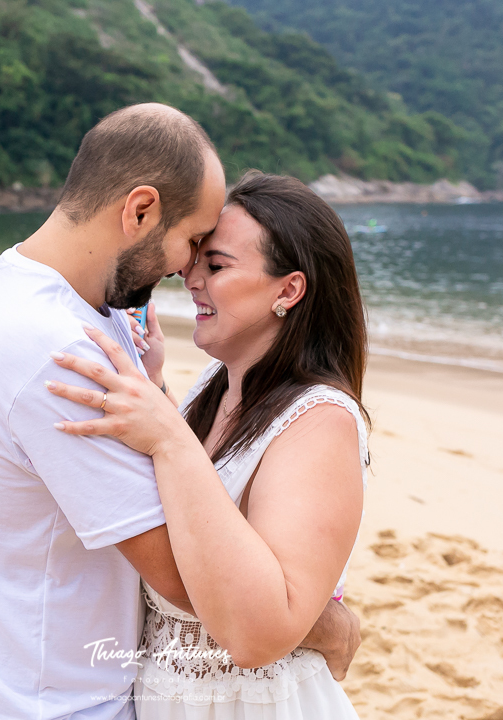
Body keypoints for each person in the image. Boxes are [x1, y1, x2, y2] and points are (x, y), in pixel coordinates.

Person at [0, 106, 360, 720]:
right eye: (193, 243)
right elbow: (186, 581)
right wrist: (327, 624)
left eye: (213, 259)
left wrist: (157, 396)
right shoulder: (63, 349)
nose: (187, 270)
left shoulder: (38, 297)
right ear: (141, 211)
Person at [45, 172, 370, 718]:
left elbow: (258, 631)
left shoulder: (320, 421)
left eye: (216, 266)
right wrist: (158, 388)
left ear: (288, 290)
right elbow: (208, 489)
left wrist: (168, 436)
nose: (190, 275)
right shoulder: (212, 388)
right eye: (198, 258)